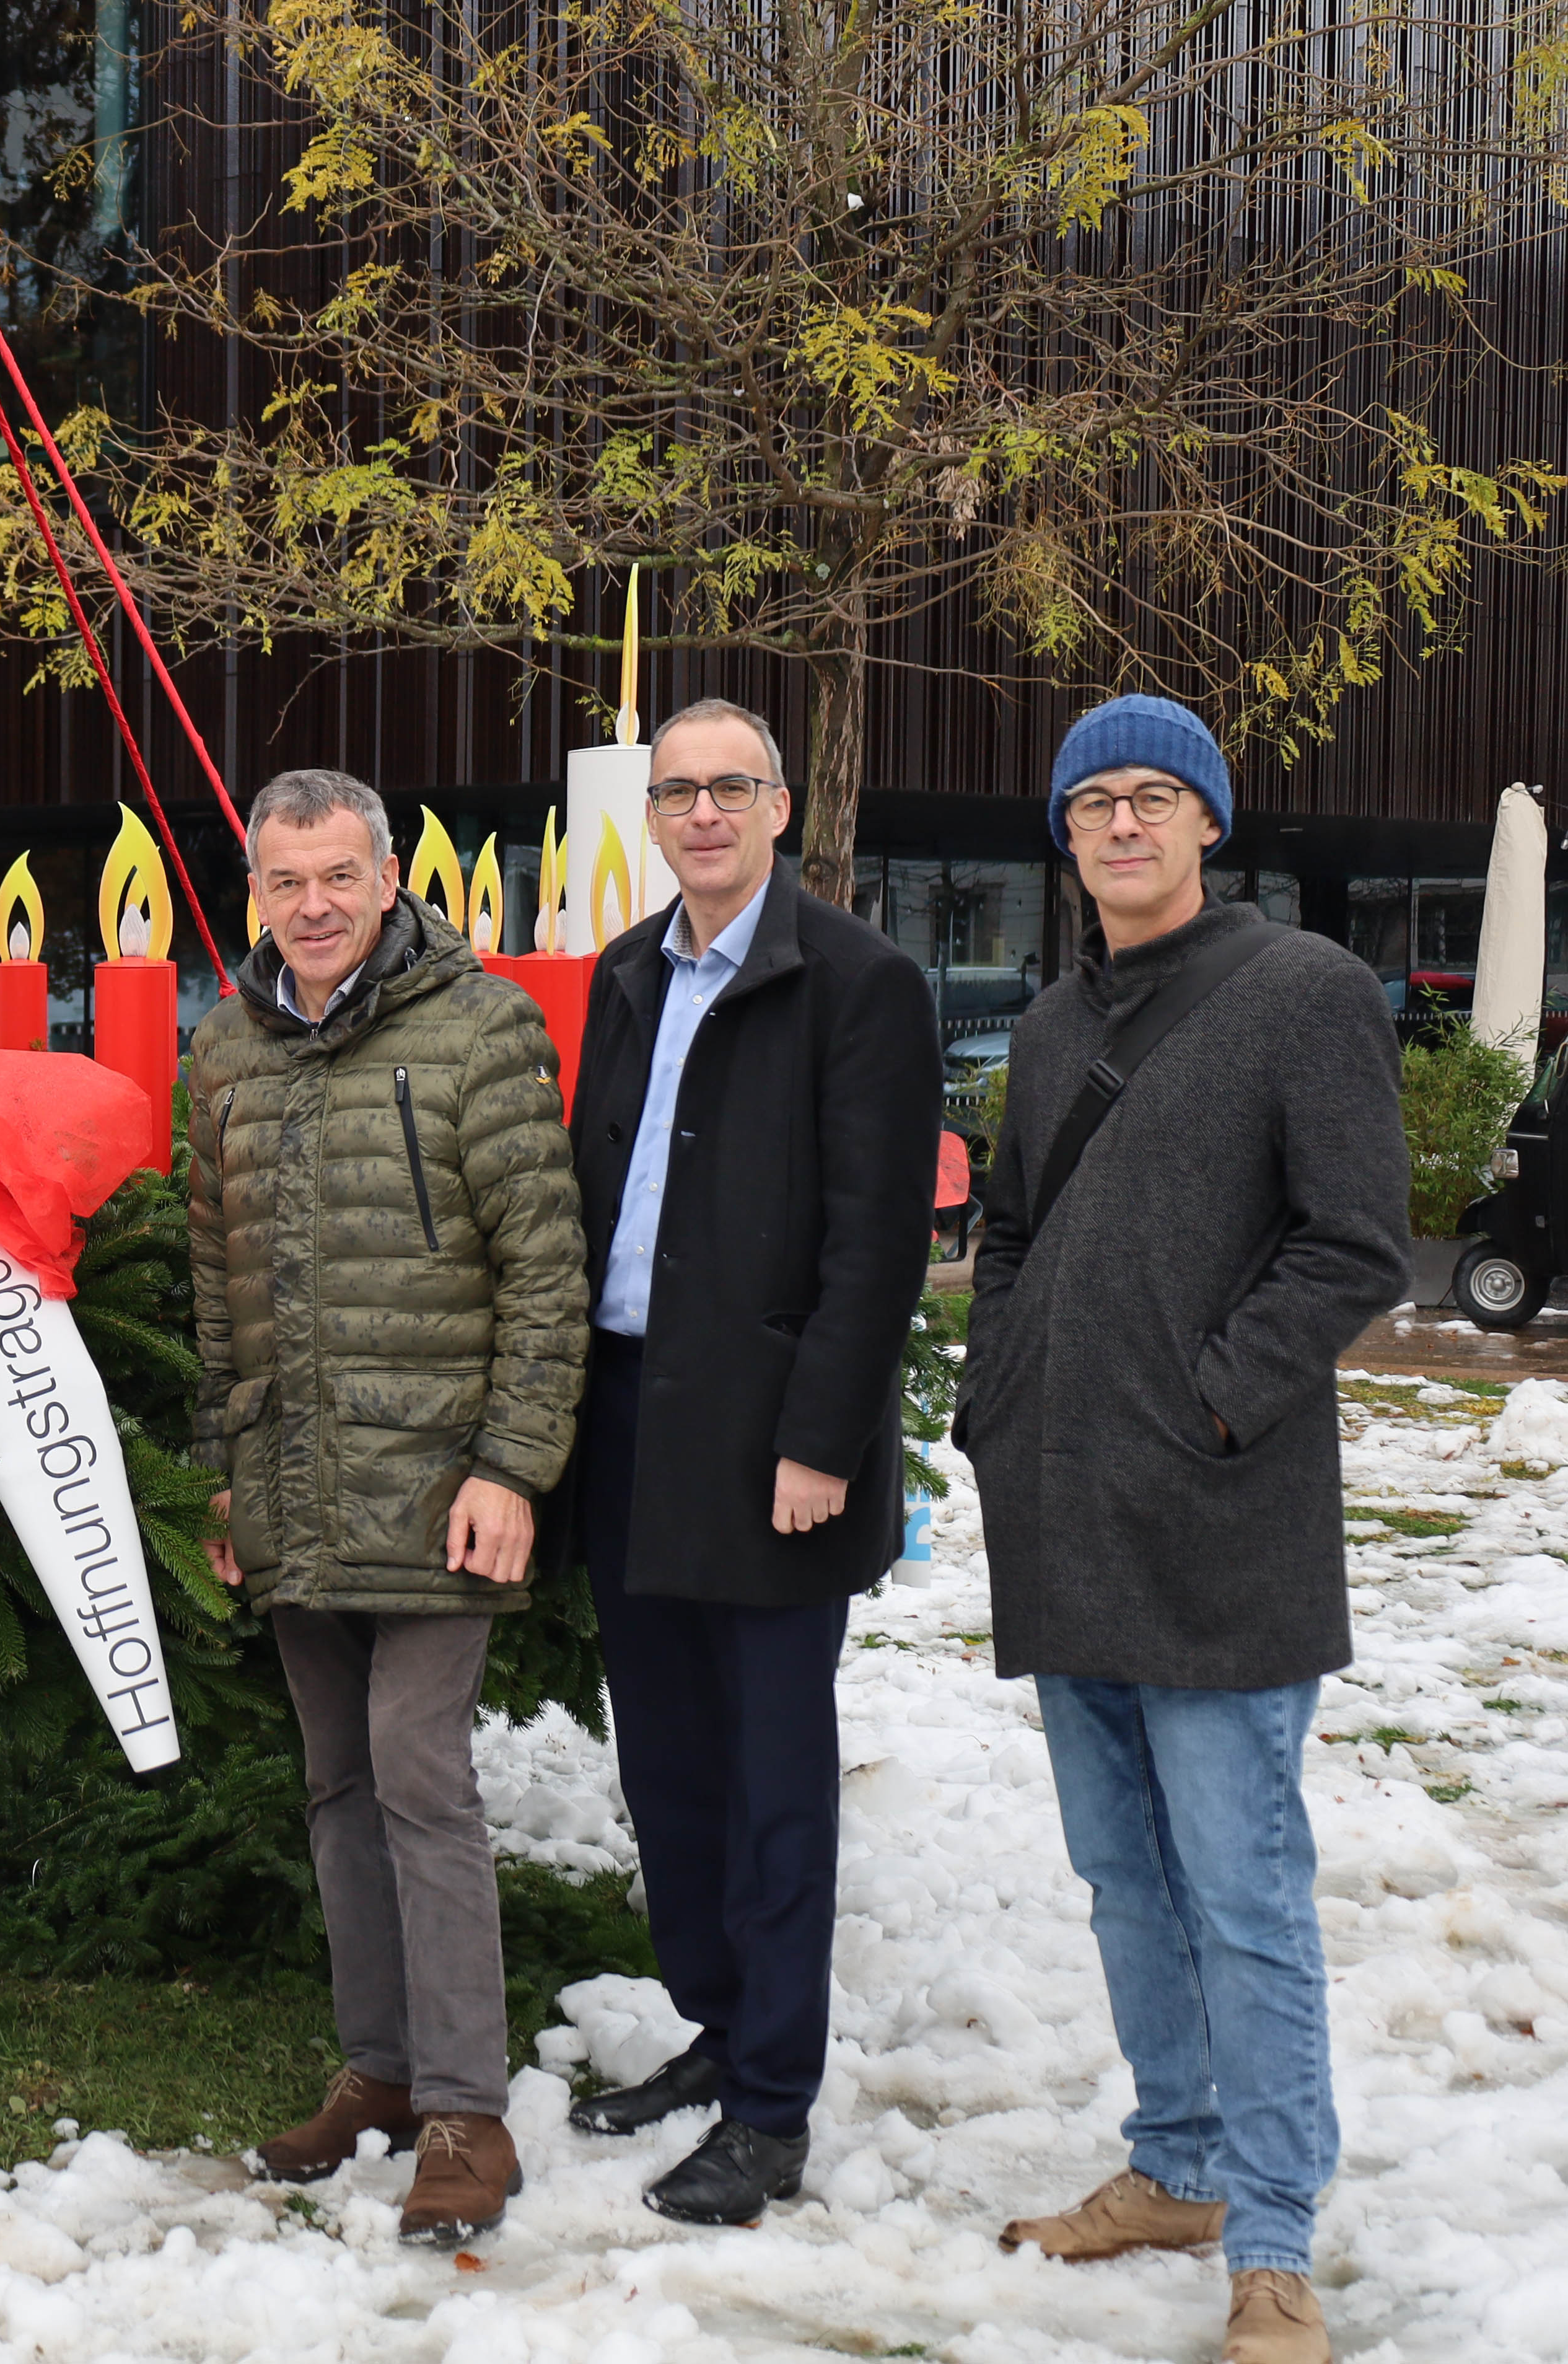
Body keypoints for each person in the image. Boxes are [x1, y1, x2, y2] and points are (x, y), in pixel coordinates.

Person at [959, 696, 1404, 2364]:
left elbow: (1355, 1245)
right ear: (1067, 837)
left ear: (1210, 824)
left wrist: (1211, 1399)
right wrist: (1003, 1393)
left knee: (1243, 1892)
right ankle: (1178, 2163)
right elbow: (1009, 1229)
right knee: (1125, 1884)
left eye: (1156, 798)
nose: (1124, 825)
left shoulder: (1304, 993)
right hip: (1064, 1518)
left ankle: (1274, 2240)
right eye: (1095, 802)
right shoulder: (1055, 1022)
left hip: (1222, 1521)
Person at [550, 697, 940, 2225]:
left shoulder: (860, 982)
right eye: (676, 792)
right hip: (631, 1414)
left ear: (778, 809)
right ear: (651, 817)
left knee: (774, 1776)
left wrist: (819, 1440)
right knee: (667, 1766)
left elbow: (877, 1244)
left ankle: (771, 2103)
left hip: (772, 1436)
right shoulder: (627, 975)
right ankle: (716, 2026)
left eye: (730, 788)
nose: (702, 813)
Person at [186, 767, 587, 2243]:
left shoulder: (478, 1028)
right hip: (291, 1483)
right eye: (283, 882)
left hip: (437, 1489)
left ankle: (467, 2115)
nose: (310, 907)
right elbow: (214, 1287)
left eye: (336, 878)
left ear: (382, 879)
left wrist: (510, 1465)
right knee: (336, 1784)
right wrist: (222, 1470)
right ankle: (379, 2073)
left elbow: (544, 1274)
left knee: (419, 1775)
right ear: (256, 892)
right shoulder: (222, 1048)